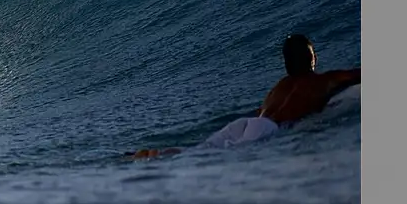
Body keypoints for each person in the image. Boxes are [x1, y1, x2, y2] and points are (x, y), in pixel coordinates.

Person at [130, 34, 360, 160]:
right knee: (217, 156)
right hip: (266, 128)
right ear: (312, 58)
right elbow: (356, 75)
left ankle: (156, 153)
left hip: (246, 123)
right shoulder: (322, 80)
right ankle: (156, 157)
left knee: (203, 149)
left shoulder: (280, 85)